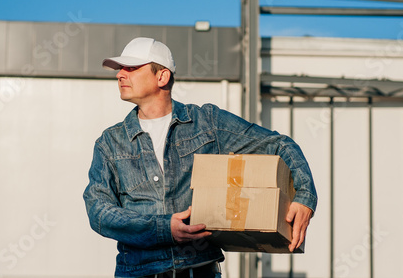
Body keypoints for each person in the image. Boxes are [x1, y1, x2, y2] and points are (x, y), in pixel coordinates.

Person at [83, 37, 317, 278]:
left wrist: (305, 197)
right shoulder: (110, 142)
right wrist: (163, 229)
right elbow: (98, 211)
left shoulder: (207, 123)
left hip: (200, 270)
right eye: (119, 69)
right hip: (138, 272)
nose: (120, 75)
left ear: (162, 77)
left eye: (130, 68)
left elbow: (279, 145)